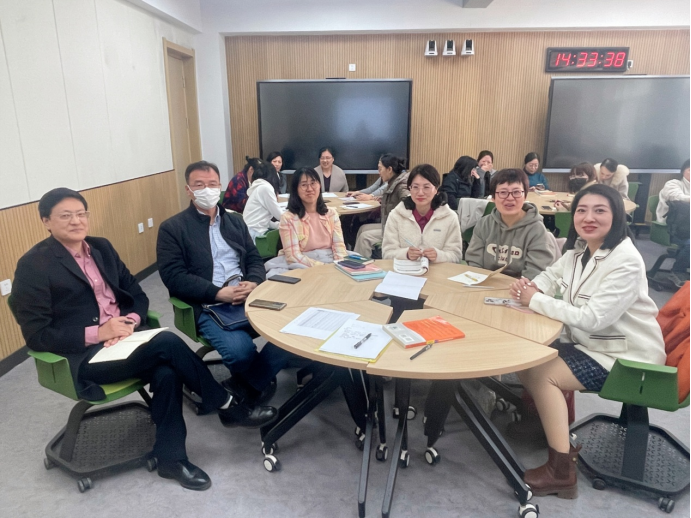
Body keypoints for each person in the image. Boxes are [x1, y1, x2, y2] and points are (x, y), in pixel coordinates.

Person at [12, 188, 277, 492]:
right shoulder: (34, 265)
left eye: (81, 214)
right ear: (46, 221)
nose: (76, 221)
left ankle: (171, 460)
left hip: (127, 341)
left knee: (167, 372)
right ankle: (227, 405)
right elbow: (37, 335)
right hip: (87, 356)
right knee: (166, 343)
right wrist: (99, 333)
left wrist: (130, 322)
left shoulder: (100, 248)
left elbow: (137, 295)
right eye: (65, 216)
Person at [509, 184, 666, 499]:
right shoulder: (580, 251)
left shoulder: (626, 260)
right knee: (527, 357)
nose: (588, 217)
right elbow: (550, 276)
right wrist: (532, 287)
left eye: (599, 210)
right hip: (594, 344)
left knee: (542, 373)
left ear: (616, 216)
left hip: (625, 357)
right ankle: (551, 426)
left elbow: (593, 318)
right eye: (581, 210)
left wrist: (535, 300)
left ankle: (561, 473)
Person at [157, 160, 289, 416]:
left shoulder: (235, 222)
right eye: (199, 185)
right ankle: (254, 383)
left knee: (291, 330)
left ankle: (243, 387)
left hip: (247, 297)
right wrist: (217, 292)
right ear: (188, 190)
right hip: (208, 304)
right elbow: (174, 276)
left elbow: (254, 258)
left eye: (212, 184)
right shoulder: (173, 228)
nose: (207, 190)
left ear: (220, 186)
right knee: (240, 351)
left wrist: (254, 282)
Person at [465, 168, 554, 279]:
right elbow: (474, 263)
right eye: (503, 192)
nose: (510, 198)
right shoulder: (484, 224)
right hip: (486, 283)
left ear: (525, 196)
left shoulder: (536, 229)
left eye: (516, 192)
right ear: (493, 197)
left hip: (521, 287)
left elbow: (535, 274)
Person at [382, 164, 463, 263]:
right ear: (409, 189)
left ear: (436, 189)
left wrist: (439, 256)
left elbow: (456, 256)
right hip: (405, 271)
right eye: (415, 187)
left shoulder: (449, 217)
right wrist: (405, 254)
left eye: (426, 187)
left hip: (438, 272)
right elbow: (387, 253)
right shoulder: (396, 215)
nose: (420, 193)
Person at [273, 167, 347, 270]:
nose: (310, 189)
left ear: (319, 185)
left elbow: (339, 248)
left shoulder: (331, 214)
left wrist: (340, 267)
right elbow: (293, 256)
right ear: (296, 189)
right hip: (302, 263)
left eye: (313, 183)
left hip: (331, 259)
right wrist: (323, 268)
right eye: (304, 185)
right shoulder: (288, 218)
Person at [354, 154, 410, 258]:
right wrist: (382, 199)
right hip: (389, 224)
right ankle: (356, 260)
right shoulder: (393, 182)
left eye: (380, 169)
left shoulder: (401, 186)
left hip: (398, 230)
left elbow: (409, 202)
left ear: (389, 169)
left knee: (365, 237)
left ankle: (361, 265)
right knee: (363, 228)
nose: (379, 173)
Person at [656, 158, 690, 283]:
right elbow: (677, 197)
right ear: (683, 171)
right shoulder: (673, 184)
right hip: (671, 229)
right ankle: (677, 271)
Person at [243, 161, 284, 242]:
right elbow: (280, 215)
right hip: (255, 234)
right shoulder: (265, 188)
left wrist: (277, 225)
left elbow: (262, 220)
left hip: (250, 232)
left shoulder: (259, 187)